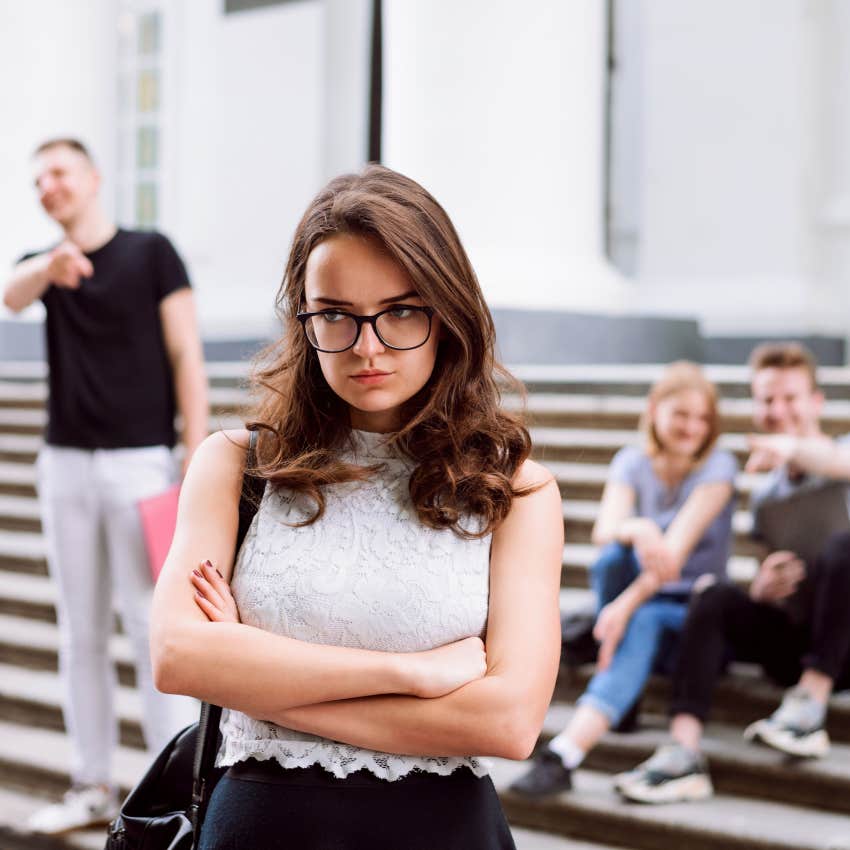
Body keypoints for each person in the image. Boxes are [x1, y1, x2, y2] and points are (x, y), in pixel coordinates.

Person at [149, 164, 564, 849]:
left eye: (400, 310)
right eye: (336, 316)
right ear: (304, 319)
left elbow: (508, 722)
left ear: (446, 312)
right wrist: (414, 676)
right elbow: (176, 656)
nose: (367, 347)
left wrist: (252, 672)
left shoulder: (515, 491)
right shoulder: (236, 466)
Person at [2, 138, 208, 833]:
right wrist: (49, 267)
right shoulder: (44, 267)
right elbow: (11, 293)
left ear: (92, 177)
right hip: (64, 465)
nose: (47, 187)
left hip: (141, 464)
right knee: (78, 632)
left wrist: (195, 449)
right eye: (36, 180)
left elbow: (187, 353)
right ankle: (90, 783)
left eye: (58, 172)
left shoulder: (152, 252)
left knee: (157, 627)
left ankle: (179, 794)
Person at [618, 342, 850, 805]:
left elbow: (838, 463)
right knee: (713, 594)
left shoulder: (843, 453)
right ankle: (683, 752)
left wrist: (790, 449)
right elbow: (777, 577)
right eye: (767, 400)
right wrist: (763, 591)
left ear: (816, 403)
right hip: (799, 641)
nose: (778, 410)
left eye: (790, 398)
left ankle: (809, 707)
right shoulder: (765, 496)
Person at [510, 362, 738, 798]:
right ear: (654, 410)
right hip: (640, 604)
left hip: (696, 620)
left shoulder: (718, 468)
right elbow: (606, 529)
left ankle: (564, 753)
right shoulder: (633, 461)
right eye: (682, 414)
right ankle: (613, 691)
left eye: (703, 417)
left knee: (643, 618)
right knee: (614, 556)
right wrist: (640, 528)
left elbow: (671, 559)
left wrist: (620, 608)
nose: (693, 426)